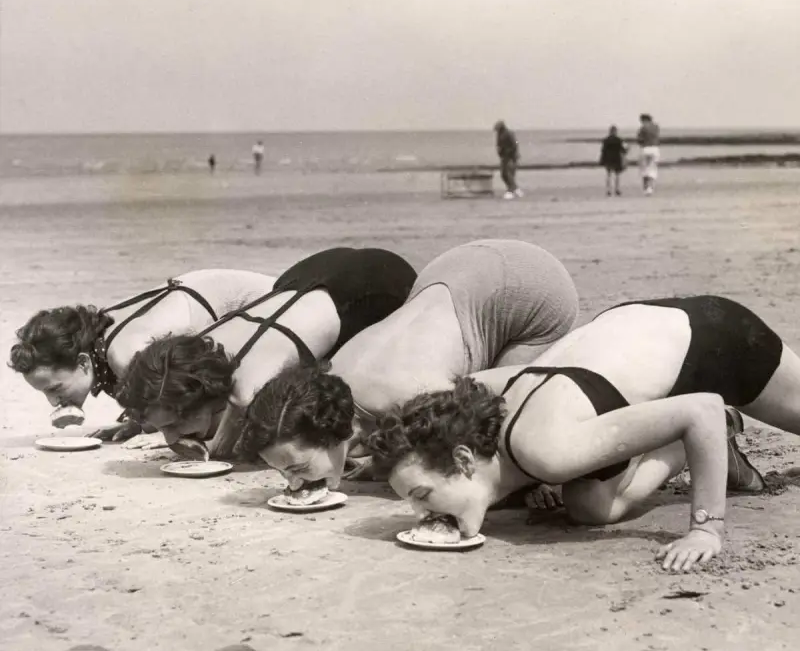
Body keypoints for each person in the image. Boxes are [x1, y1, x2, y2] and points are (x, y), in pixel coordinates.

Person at [364, 295, 800, 573]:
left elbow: (699, 406)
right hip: (635, 321)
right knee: (587, 503)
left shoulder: (548, 451)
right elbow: (458, 389)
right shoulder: (483, 412)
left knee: (589, 490)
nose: (420, 515)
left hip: (714, 339)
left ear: (463, 461)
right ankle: (699, 441)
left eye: (421, 495)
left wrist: (707, 529)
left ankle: (719, 428)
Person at [238, 239, 579, 489]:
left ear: (331, 436)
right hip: (457, 263)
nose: (292, 484)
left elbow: (526, 381)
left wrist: (535, 480)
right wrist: (377, 460)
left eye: (298, 468)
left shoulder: (409, 393)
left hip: (533, 286)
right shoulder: (333, 383)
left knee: (505, 429)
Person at [115, 247, 417, 461]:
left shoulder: (246, 390)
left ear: (195, 403)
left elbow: (223, 453)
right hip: (310, 271)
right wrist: (147, 420)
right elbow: (166, 391)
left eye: (171, 426)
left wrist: (193, 449)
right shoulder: (195, 352)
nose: (168, 438)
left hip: (375, 286)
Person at [8, 269, 279, 442]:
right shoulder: (104, 333)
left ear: (83, 362)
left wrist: (150, 422)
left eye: (56, 388)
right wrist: (139, 422)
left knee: (205, 420)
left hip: (276, 304)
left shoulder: (124, 355)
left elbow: (200, 404)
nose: (53, 401)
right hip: (259, 299)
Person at [493, 121, 523, 200]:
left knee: (509, 173)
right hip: (504, 157)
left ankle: (511, 190)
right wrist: (500, 152)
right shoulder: (499, 135)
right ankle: (515, 189)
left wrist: (512, 154)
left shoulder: (509, 134)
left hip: (510, 157)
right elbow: (499, 145)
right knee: (503, 174)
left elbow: (515, 144)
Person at [599, 126, 627, 196]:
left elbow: (603, 151)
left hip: (608, 158)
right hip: (617, 158)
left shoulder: (606, 140)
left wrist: (602, 160)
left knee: (609, 175)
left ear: (609, 131)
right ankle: (617, 189)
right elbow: (623, 150)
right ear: (616, 132)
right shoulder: (619, 140)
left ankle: (608, 190)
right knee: (617, 175)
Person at [637, 114, 661, 195]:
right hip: (655, 148)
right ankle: (650, 187)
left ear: (644, 120)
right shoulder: (656, 127)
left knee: (644, 169)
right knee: (653, 168)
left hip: (645, 148)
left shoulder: (642, 128)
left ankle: (645, 187)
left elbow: (639, 139)